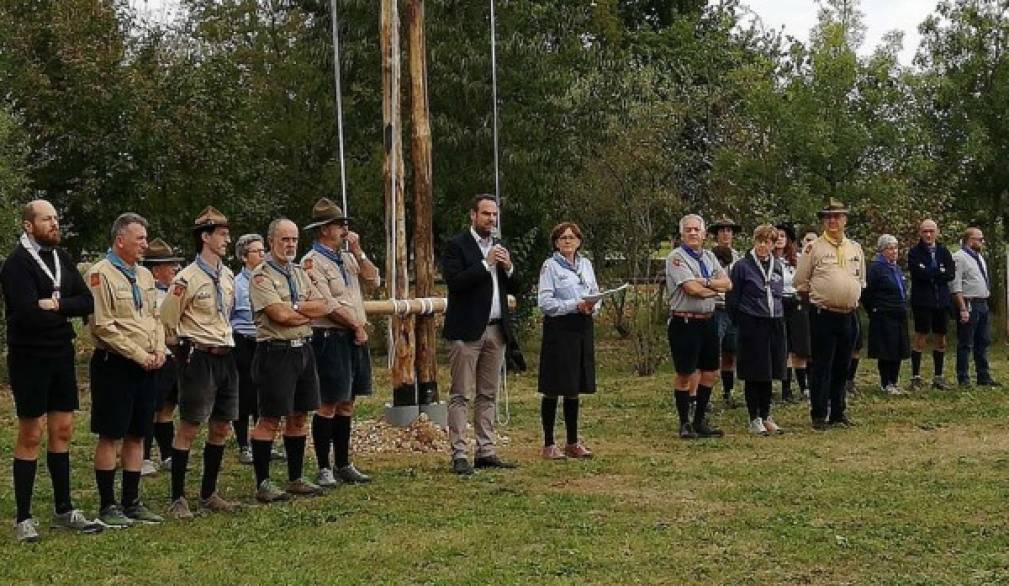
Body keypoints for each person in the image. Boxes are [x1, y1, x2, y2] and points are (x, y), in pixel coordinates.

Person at [0, 200, 102, 542]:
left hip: (61, 353)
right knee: (32, 432)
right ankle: (24, 518)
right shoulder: (16, 264)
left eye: (57, 218)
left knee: (63, 430)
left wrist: (57, 304)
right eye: (47, 219)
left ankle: (63, 508)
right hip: (30, 356)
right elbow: (27, 314)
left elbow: (87, 302)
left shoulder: (62, 259)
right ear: (29, 225)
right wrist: (61, 313)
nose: (55, 224)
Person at [248, 218, 338, 502]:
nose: (290, 245)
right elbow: (280, 315)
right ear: (271, 241)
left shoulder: (299, 272)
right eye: (284, 239)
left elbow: (324, 304)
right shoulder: (260, 276)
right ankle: (263, 483)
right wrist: (301, 311)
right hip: (275, 352)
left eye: (294, 240)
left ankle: (295, 478)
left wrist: (296, 307)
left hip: (303, 350)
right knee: (270, 418)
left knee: (299, 415)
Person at [86, 212, 166, 527]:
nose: (145, 244)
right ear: (121, 240)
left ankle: (132, 501)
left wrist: (158, 349)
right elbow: (103, 326)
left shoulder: (144, 276)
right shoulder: (100, 274)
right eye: (140, 239)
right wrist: (137, 354)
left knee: (138, 434)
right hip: (115, 365)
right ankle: (108, 505)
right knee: (111, 434)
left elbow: (156, 317)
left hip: (147, 364)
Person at [160, 207, 241, 518]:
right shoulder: (186, 278)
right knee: (190, 427)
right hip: (199, 356)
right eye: (222, 234)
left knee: (221, 426)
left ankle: (209, 493)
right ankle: (177, 497)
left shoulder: (228, 276)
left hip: (226, 354)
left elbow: (227, 315)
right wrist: (184, 356)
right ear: (205, 237)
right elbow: (167, 321)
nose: (227, 239)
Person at [301, 198, 380, 486]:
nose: (345, 229)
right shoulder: (311, 262)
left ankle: (343, 462)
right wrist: (357, 325)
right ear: (324, 230)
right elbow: (327, 303)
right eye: (339, 225)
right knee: (328, 402)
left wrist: (358, 252)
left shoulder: (347, 258)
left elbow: (373, 281)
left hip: (353, 337)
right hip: (330, 337)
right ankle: (324, 466)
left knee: (348, 401)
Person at [442, 194, 519, 475]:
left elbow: (516, 286)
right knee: (461, 393)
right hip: (466, 331)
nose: (491, 219)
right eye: (486, 214)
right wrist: (485, 264)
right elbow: (456, 283)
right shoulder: (456, 246)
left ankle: (486, 450)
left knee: (488, 393)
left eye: (494, 214)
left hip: (496, 329)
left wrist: (508, 267)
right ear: (473, 216)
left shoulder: (500, 246)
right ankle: (459, 453)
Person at [795, 199, 866, 429]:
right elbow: (801, 283)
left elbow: (861, 280)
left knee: (842, 366)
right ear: (823, 221)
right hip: (823, 314)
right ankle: (818, 413)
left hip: (849, 314)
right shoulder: (813, 247)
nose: (833, 221)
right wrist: (816, 306)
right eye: (828, 217)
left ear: (845, 220)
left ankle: (838, 412)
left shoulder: (855, 248)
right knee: (822, 366)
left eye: (837, 216)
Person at [536, 222, 599, 460]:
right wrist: (574, 305)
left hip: (582, 327)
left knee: (574, 387)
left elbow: (594, 291)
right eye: (562, 238)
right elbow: (545, 303)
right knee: (554, 386)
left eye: (572, 237)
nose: (568, 241)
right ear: (556, 243)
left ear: (579, 241)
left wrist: (593, 305)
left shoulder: (586, 264)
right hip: (560, 330)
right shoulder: (550, 267)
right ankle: (549, 443)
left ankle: (573, 441)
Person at [665, 214, 731, 439]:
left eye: (697, 230)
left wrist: (705, 283)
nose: (693, 233)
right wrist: (712, 288)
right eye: (688, 230)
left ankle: (700, 420)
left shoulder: (710, 257)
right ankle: (684, 422)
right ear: (681, 234)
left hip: (708, 320)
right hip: (685, 321)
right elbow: (692, 289)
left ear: (704, 234)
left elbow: (727, 283)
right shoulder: (676, 258)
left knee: (711, 372)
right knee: (685, 374)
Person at [726, 225, 787, 434]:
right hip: (752, 323)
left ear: (773, 244)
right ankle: (754, 417)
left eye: (768, 242)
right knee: (755, 372)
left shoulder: (777, 265)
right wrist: (741, 322)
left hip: (774, 322)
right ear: (754, 241)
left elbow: (780, 293)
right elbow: (732, 298)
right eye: (760, 241)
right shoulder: (742, 266)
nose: (763, 245)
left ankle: (766, 414)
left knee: (769, 372)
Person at [140, 239, 184, 477]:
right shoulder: (149, 294)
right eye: (170, 265)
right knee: (150, 408)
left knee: (168, 407)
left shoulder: (174, 292)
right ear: (156, 270)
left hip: (175, 357)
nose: (175, 269)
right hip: (157, 357)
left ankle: (167, 455)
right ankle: (144, 457)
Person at [907, 219, 955, 390]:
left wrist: (931, 272)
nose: (928, 234)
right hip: (922, 302)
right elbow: (919, 273)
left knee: (941, 337)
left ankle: (938, 376)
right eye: (925, 231)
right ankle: (915, 376)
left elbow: (950, 274)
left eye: (931, 231)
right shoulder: (914, 252)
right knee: (921, 336)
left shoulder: (944, 251)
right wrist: (936, 272)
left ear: (937, 232)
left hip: (941, 301)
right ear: (920, 233)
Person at [231, 234, 265, 465]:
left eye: (264, 251)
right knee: (245, 394)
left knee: (264, 394)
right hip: (243, 343)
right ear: (244, 257)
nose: (262, 255)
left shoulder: (268, 279)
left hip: (265, 342)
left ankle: (262, 441)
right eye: (257, 252)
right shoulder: (235, 284)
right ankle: (244, 444)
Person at [951, 227, 999, 388]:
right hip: (969, 303)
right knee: (966, 342)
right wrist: (963, 308)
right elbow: (956, 285)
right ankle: (963, 377)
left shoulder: (979, 257)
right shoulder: (959, 258)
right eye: (979, 239)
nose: (982, 242)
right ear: (970, 240)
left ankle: (983, 375)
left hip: (982, 303)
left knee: (982, 341)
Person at [863, 235, 911, 395]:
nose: (894, 251)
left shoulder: (895, 268)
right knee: (886, 349)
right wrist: (874, 310)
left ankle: (895, 380)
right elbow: (867, 293)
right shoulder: (876, 268)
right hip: (884, 314)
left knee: (898, 348)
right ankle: (886, 382)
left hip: (899, 313)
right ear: (882, 250)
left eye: (896, 248)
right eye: (890, 248)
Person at [708, 217, 743, 408]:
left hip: (732, 309)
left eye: (729, 230)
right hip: (715, 307)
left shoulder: (738, 256)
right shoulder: (709, 256)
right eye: (722, 230)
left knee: (731, 352)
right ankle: (704, 396)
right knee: (713, 353)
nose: (725, 233)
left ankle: (728, 393)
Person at [774, 223, 809, 402]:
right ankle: (786, 389)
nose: (780, 239)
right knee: (784, 347)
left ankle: (804, 387)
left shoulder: (797, 258)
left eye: (783, 236)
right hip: (778, 303)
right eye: (777, 235)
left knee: (800, 347)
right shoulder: (769, 260)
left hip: (796, 303)